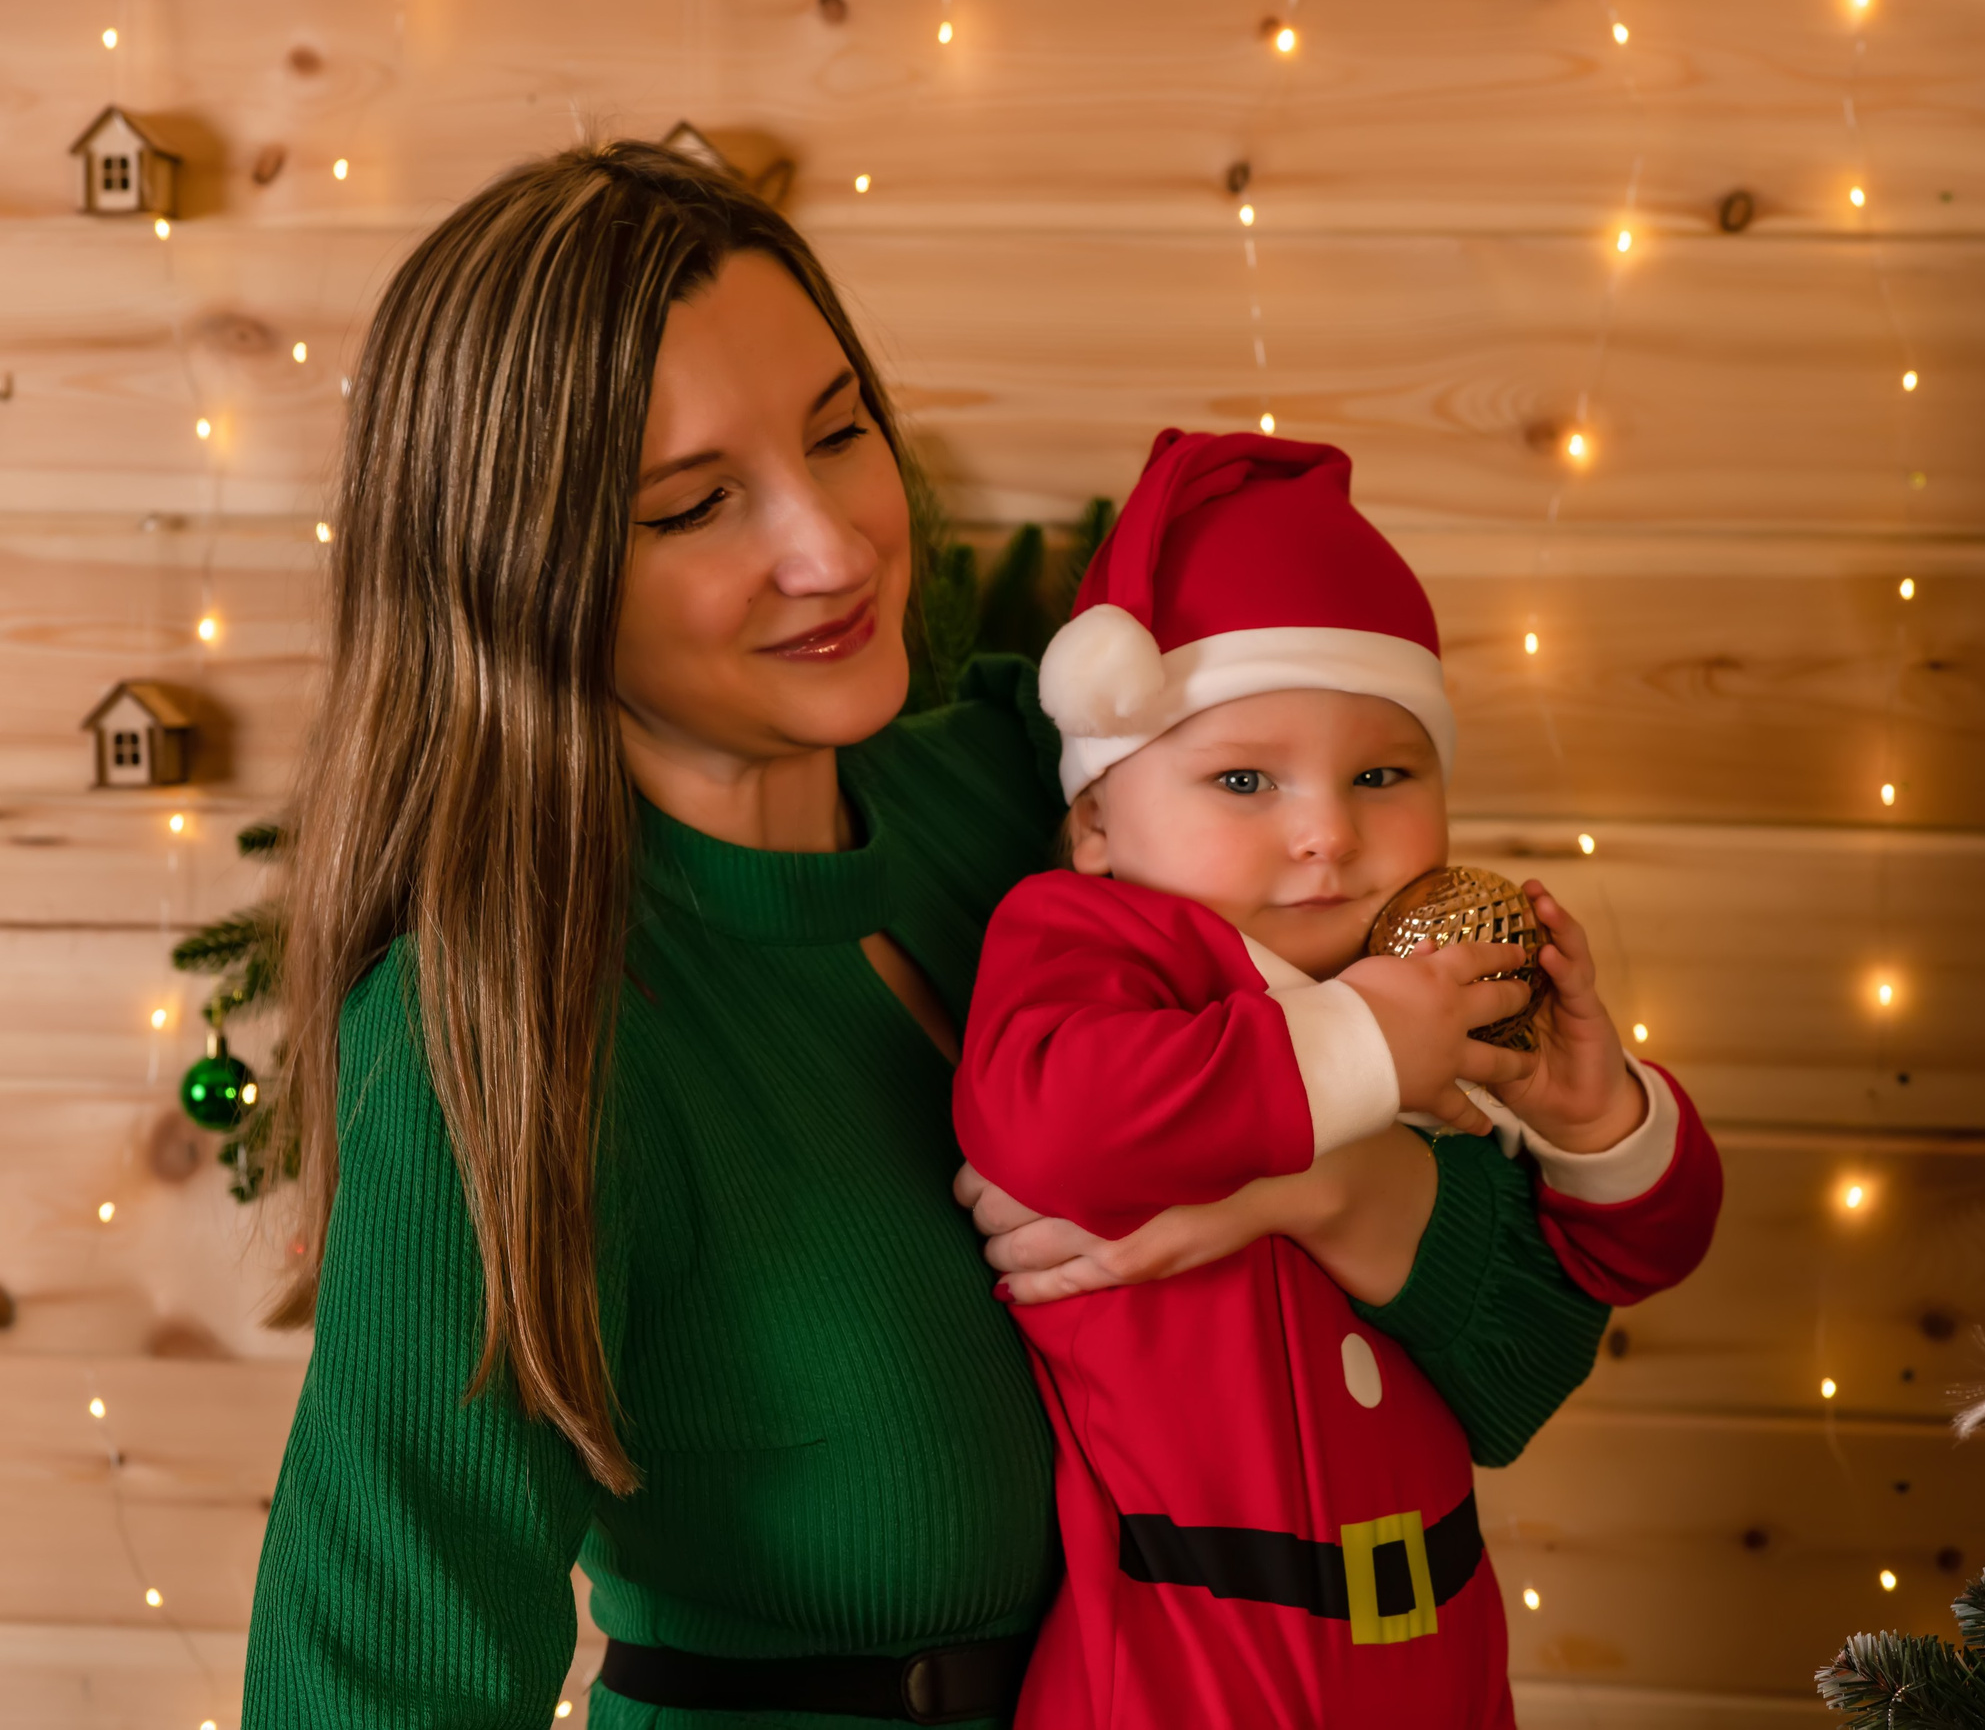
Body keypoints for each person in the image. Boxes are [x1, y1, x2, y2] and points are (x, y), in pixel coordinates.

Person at [241, 143, 1657, 1728]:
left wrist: (1314, 1173)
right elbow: (370, 1676)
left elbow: (1522, 1349)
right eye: (701, 505)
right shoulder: (497, 1033)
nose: (836, 546)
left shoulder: (1041, 805)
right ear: (528, 577)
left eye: (839, 432)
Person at [950, 431, 1722, 1729]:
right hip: (1185, 1655)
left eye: (1383, 774)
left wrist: (1599, 1122)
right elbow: (1049, 1125)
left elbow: (1616, 1266)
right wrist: (1364, 1050)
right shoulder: (1092, 938)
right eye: (1243, 779)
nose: (1328, 832)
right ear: (1095, 822)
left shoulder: (1436, 971)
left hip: (1433, 1646)